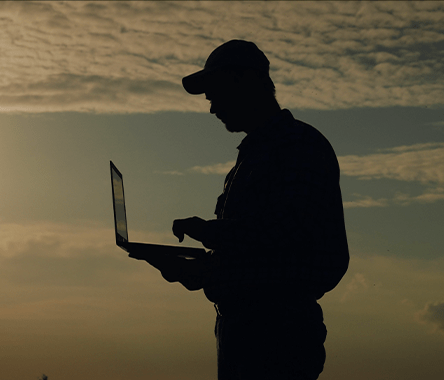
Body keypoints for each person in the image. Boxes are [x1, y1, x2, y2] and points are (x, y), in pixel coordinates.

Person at [131, 39, 349, 380]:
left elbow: (284, 231)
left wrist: (206, 231)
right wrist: (195, 271)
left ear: (245, 82)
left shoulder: (297, 146)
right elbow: (257, 256)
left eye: (216, 94)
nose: (212, 108)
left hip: (276, 334)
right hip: (249, 331)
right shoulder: (257, 154)